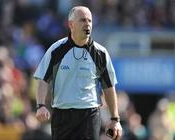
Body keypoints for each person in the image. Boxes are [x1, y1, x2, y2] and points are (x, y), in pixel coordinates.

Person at [34, 6, 122, 140]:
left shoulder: (101, 53)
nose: (87, 24)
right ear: (71, 24)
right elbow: (43, 79)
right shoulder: (56, 50)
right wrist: (40, 105)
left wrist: (115, 119)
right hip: (62, 116)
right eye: (82, 20)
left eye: (90, 21)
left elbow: (109, 87)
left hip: (89, 115)